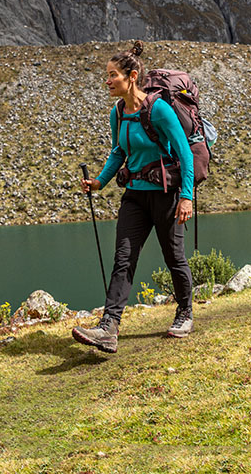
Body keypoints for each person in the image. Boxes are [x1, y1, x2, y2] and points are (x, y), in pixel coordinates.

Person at [72, 41, 195, 354]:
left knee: (174, 257)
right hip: (135, 197)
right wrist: (100, 181)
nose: (108, 81)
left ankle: (185, 313)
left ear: (132, 76)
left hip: (166, 196)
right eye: (107, 75)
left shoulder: (159, 109)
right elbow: (119, 152)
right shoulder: (117, 112)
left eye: (113, 75)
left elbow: (184, 152)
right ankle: (109, 327)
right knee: (123, 259)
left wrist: (186, 196)